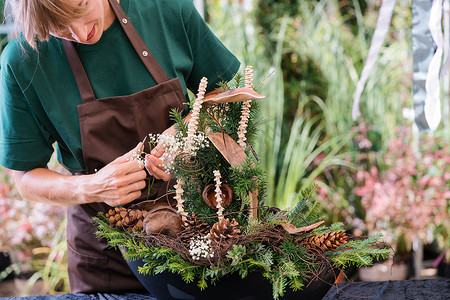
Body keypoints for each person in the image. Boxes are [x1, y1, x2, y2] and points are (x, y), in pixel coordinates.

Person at [0, 0, 240, 294]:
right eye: (59, 26)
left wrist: (186, 132)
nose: (79, 32)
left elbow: (226, 95)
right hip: (106, 258)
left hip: (200, 234)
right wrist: (92, 187)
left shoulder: (165, 9)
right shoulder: (23, 59)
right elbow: (25, 177)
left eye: (82, 6)